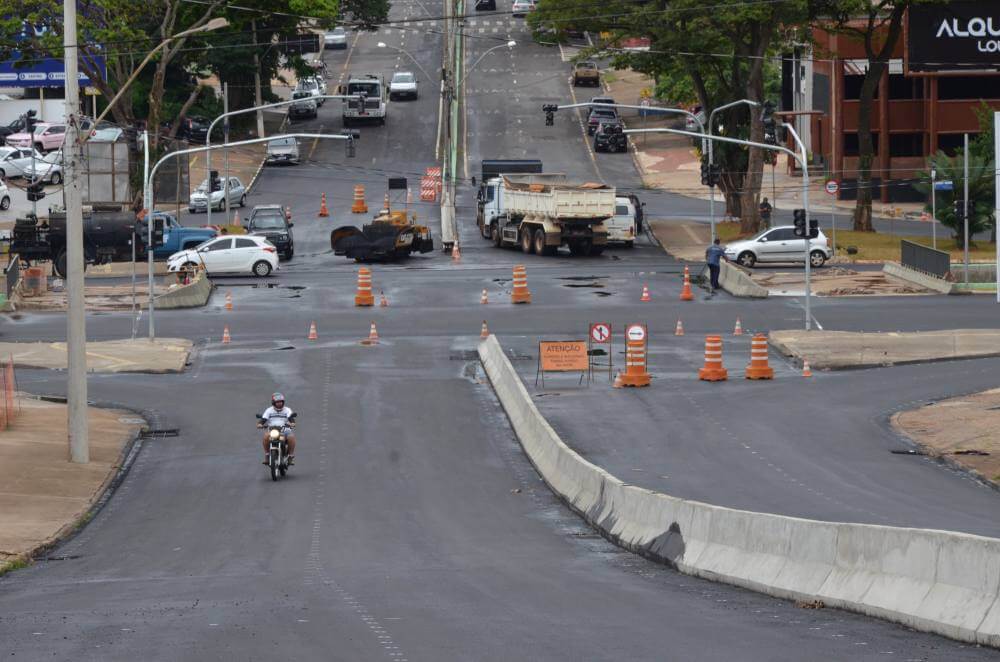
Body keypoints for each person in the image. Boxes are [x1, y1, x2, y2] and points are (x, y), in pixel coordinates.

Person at [259, 392, 296, 464]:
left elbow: (291, 418)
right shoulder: (269, 410)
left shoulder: (287, 410)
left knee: (291, 437)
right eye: (277, 402)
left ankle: (290, 456)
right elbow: (263, 419)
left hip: (285, 430)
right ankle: (267, 455)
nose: (279, 404)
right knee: (266, 436)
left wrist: (292, 423)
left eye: (281, 402)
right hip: (272, 430)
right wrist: (260, 424)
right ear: (273, 403)